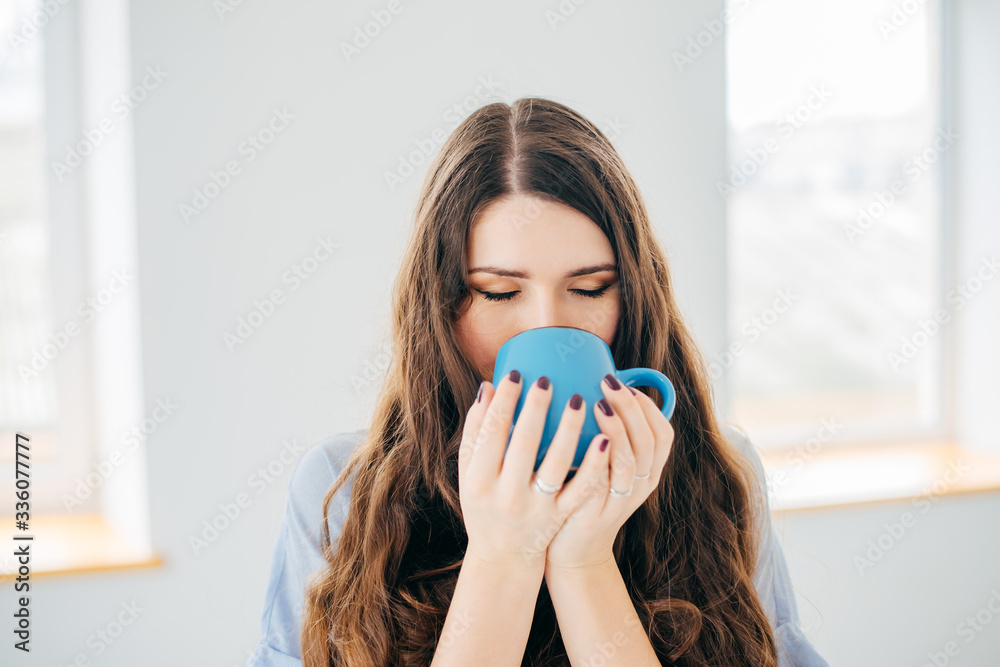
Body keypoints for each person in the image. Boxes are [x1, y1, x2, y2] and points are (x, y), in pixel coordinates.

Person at [248, 97, 829, 666]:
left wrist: (583, 562)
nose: (549, 326)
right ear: (441, 305)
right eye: (499, 293)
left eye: (591, 288)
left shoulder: (720, 476)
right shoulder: (344, 490)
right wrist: (503, 558)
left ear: (634, 295)